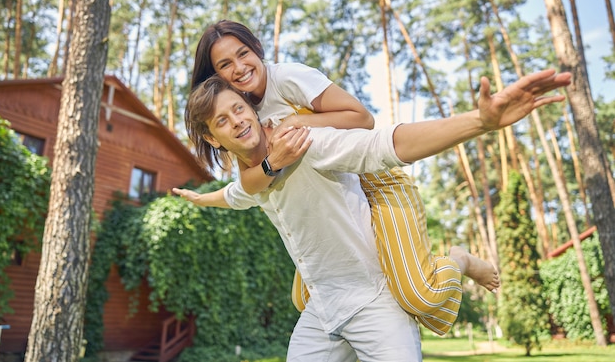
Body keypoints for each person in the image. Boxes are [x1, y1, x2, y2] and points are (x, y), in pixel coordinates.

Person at [174, 70, 570, 361]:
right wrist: (199, 199)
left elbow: (383, 144)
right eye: (222, 121)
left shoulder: (303, 143)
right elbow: (236, 195)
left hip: (375, 301)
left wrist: (479, 122)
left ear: (253, 109)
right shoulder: (252, 177)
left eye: (239, 109)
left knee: (422, 293)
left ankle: (458, 260)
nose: (237, 121)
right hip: (322, 311)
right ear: (212, 138)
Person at [181, 20, 493, 336]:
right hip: (335, 191)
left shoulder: (286, 79)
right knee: (306, 301)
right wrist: (205, 197)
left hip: (374, 178)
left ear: (257, 48)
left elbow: (363, 119)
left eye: (243, 53)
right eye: (225, 64)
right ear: (216, 76)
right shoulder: (239, 112)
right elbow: (249, 182)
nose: (239, 67)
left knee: (418, 296)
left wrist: (295, 121)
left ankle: (459, 260)